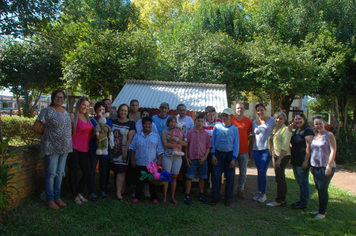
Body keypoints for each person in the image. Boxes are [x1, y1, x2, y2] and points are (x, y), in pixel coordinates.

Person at [33, 90, 72, 209]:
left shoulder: (65, 111)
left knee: (60, 173)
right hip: (51, 147)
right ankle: (49, 198)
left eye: (61, 97)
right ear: (52, 98)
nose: (59, 99)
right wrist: (44, 133)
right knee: (51, 174)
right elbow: (36, 127)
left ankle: (57, 196)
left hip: (65, 147)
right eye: (57, 97)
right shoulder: (47, 111)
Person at [129, 116, 164, 204]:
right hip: (139, 163)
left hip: (151, 164)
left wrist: (159, 160)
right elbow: (132, 148)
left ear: (151, 125)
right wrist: (132, 160)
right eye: (145, 124)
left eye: (149, 124)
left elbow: (160, 150)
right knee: (139, 181)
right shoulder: (137, 136)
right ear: (142, 125)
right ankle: (137, 197)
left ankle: (154, 198)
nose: (147, 126)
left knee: (152, 182)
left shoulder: (156, 136)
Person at [67, 96, 93, 205]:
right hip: (73, 148)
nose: (85, 107)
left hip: (84, 148)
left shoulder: (88, 118)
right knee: (73, 172)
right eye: (83, 105)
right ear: (79, 104)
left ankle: (79, 192)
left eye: (87, 106)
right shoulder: (73, 116)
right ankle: (74, 195)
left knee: (88, 172)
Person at [210, 108, 239, 206]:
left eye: (227, 115)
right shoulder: (217, 127)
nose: (225, 117)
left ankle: (228, 198)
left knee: (230, 177)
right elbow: (213, 142)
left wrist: (234, 159)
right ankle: (215, 196)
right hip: (218, 154)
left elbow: (236, 145)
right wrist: (213, 155)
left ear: (231, 117)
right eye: (224, 115)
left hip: (229, 155)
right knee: (216, 176)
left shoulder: (234, 129)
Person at [310, 116, 336, 220]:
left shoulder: (329, 135)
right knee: (318, 189)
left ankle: (322, 212)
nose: (318, 126)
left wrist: (329, 166)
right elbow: (313, 152)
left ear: (324, 123)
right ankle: (321, 209)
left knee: (323, 189)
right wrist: (312, 166)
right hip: (315, 166)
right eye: (316, 124)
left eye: (320, 123)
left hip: (325, 166)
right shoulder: (316, 136)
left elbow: (333, 150)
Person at [266, 111, 293, 207]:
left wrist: (279, 160)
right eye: (277, 118)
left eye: (280, 118)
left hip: (282, 156)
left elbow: (285, 146)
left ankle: (278, 200)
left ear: (284, 120)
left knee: (280, 178)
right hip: (276, 155)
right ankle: (282, 199)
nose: (278, 120)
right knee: (280, 177)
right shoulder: (276, 129)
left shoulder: (286, 130)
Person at [184, 113, 212, 205]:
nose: (200, 123)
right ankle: (187, 195)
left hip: (202, 159)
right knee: (189, 177)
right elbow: (186, 146)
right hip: (192, 159)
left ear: (204, 122)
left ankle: (201, 194)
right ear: (195, 121)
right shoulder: (190, 133)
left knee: (202, 177)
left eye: (202, 121)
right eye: (198, 121)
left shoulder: (206, 134)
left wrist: (205, 157)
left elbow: (208, 147)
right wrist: (186, 158)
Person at [88, 102, 113, 201]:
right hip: (93, 149)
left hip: (105, 150)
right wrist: (96, 131)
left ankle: (102, 190)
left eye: (103, 109)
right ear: (95, 111)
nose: (101, 111)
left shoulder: (108, 122)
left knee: (103, 171)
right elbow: (89, 137)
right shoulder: (91, 121)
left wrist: (107, 131)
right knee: (92, 170)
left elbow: (110, 135)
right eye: (99, 109)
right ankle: (91, 191)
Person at [251, 103, 276, 203]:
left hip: (267, 149)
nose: (260, 112)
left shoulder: (272, 120)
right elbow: (253, 136)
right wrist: (251, 150)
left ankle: (263, 194)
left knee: (262, 170)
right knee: (259, 171)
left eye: (261, 110)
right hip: (256, 150)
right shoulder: (254, 122)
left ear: (265, 110)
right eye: (258, 110)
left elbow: (279, 128)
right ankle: (259, 191)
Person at [111, 104, 136, 201]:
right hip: (113, 150)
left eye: (125, 111)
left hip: (123, 151)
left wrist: (126, 151)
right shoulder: (113, 122)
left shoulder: (130, 124)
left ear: (128, 112)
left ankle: (118, 193)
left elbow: (130, 139)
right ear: (118, 111)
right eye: (121, 110)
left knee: (122, 171)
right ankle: (121, 190)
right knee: (116, 171)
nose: (123, 112)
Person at [160, 116, 187, 205]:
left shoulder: (180, 132)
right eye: (171, 122)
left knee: (174, 177)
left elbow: (185, 143)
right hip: (167, 156)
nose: (172, 123)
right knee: (166, 176)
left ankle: (172, 197)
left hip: (177, 157)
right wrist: (178, 145)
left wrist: (174, 139)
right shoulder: (164, 132)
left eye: (174, 122)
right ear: (168, 122)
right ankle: (164, 197)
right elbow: (165, 144)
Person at [289, 113, 314, 210]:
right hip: (295, 160)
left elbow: (309, 146)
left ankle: (304, 203)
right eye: (296, 119)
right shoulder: (297, 131)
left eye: (299, 119)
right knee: (300, 182)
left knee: (304, 182)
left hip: (303, 160)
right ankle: (301, 200)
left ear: (304, 119)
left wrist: (306, 161)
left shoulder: (307, 131)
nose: (297, 121)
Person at [231, 101, 252, 199]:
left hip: (244, 151)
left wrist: (251, 150)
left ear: (244, 109)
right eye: (238, 108)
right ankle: (230, 189)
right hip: (232, 151)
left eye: (242, 108)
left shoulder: (248, 121)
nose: (240, 110)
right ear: (236, 109)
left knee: (243, 172)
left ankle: (240, 189)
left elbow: (250, 135)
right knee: (231, 171)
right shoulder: (231, 120)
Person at [202, 106, 223, 191]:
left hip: (216, 151)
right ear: (205, 115)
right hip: (204, 151)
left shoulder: (220, 122)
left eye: (213, 115)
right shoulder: (202, 122)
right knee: (205, 171)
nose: (211, 117)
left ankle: (215, 192)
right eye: (209, 115)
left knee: (215, 172)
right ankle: (204, 191)